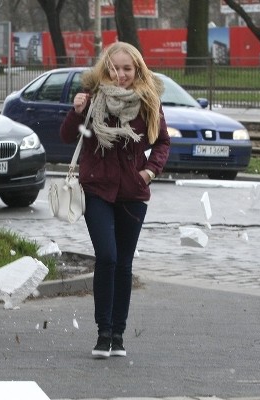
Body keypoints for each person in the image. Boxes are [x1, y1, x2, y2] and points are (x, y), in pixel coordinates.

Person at [60, 42, 170, 359]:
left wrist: (149, 172)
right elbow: (68, 136)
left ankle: (118, 335)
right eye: (114, 68)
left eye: (127, 69)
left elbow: (162, 142)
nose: (120, 75)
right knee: (106, 256)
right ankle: (102, 332)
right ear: (104, 68)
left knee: (123, 264)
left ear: (137, 71)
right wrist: (76, 110)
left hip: (133, 192)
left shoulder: (148, 101)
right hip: (97, 189)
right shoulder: (93, 99)